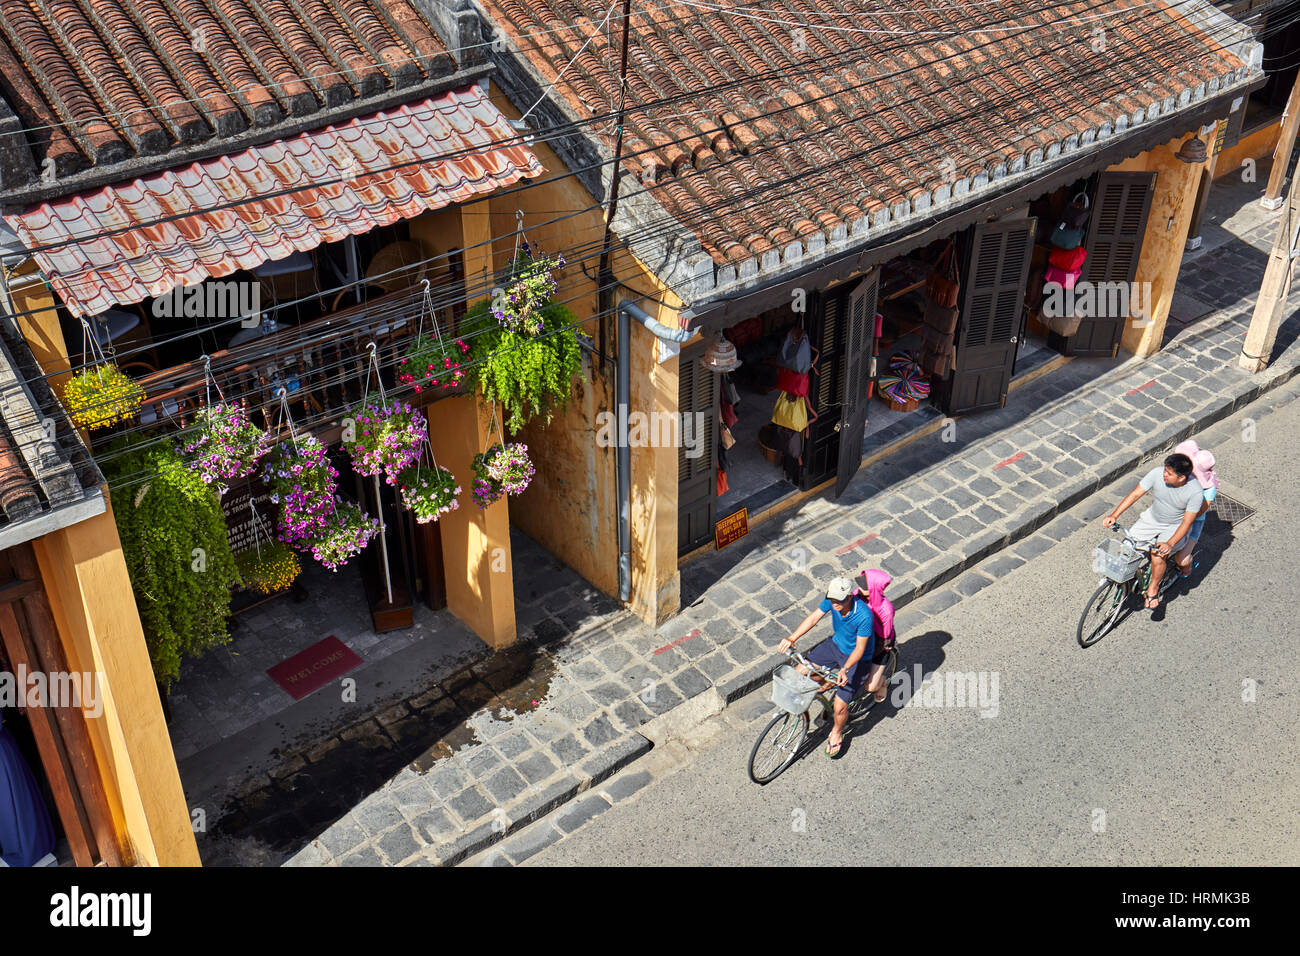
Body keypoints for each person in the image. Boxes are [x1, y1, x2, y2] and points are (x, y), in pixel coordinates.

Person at [777, 576, 874, 757]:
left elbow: (860, 649)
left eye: (840, 600)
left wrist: (845, 669)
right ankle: (823, 685)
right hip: (835, 646)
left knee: (839, 706)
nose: (835, 604)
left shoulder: (864, 616)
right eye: (832, 599)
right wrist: (792, 638)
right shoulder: (832, 600)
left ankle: (837, 731)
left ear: (849, 597)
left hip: (856, 659)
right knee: (800, 672)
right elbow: (814, 618)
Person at [1102, 453, 1203, 610]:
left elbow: (1187, 522)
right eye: (1165, 470)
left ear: (1181, 478)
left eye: (1169, 473)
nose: (1164, 474)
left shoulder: (1195, 491)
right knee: (1125, 548)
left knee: (1158, 556)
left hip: (1173, 527)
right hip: (1150, 520)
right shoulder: (1157, 473)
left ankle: (1153, 589)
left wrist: (1170, 543)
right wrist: (1114, 515)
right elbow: (1136, 493)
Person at [1170, 441, 1218, 582]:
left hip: (1193, 522)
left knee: (1182, 559)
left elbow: (1198, 513)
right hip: (1173, 514)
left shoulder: (1209, 490)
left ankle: (1187, 569)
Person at [855, 568, 897, 705]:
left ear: (874, 588)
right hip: (860, 636)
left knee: (871, 687)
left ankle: (882, 680)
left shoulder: (886, 610)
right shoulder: (857, 595)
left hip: (879, 645)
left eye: (864, 586)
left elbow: (886, 638)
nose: (859, 587)